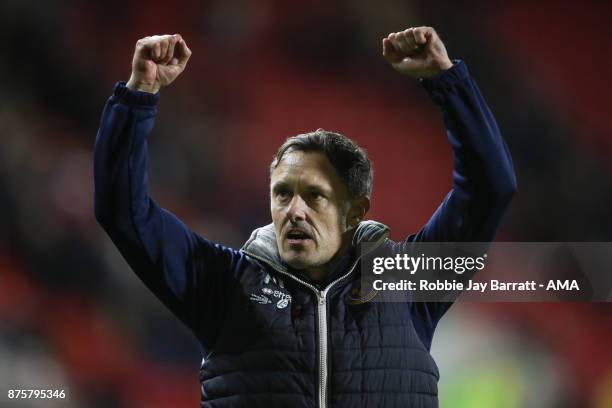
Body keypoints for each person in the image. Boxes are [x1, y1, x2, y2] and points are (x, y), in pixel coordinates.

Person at [94, 26, 516, 408]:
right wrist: (137, 97)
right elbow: (122, 210)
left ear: (354, 211)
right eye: (283, 194)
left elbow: (490, 187)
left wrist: (446, 82)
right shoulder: (222, 283)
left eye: (314, 196)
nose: (294, 210)